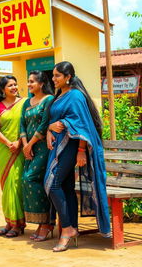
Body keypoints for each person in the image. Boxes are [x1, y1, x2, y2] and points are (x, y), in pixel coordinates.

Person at [44, 61, 111, 253]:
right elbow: (53, 119)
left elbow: (81, 123)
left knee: (51, 184)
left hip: (70, 146)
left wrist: (81, 150)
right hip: (57, 147)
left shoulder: (75, 95)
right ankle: (71, 227)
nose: (54, 79)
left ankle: (67, 229)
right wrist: (50, 128)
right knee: (65, 187)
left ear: (68, 77)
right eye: (54, 75)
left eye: (57, 76)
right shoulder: (60, 95)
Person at [20, 70, 54, 241]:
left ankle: (47, 222)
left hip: (42, 148)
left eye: (32, 81)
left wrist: (30, 145)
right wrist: (25, 145)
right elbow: (22, 125)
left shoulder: (48, 100)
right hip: (29, 149)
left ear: (41, 83)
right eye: (28, 81)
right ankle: (43, 222)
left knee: (30, 178)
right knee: (27, 180)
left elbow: (44, 124)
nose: (29, 84)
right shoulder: (27, 102)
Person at [0, 75, 26, 238]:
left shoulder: (24, 103)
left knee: (16, 184)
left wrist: (18, 142)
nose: (14, 87)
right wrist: (8, 143)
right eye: (10, 85)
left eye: (15, 84)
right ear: (2, 89)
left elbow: (28, 125)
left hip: (20, 148)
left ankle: (18, 224)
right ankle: (10, 221)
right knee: (6, 186)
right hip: (4, 149)